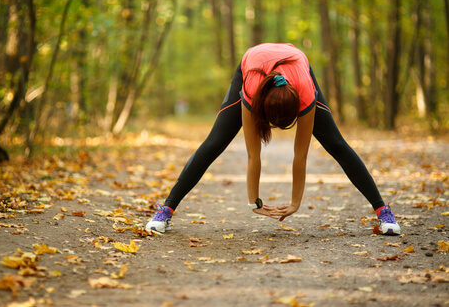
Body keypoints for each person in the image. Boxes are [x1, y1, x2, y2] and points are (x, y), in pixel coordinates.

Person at [145, 43, 401, 236]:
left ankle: (383, 212)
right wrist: (253, 202)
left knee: (336, 144)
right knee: (215, 143)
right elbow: (253, 154)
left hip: (296, 63)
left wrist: (295, 203)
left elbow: (300, 156)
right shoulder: (252, 89)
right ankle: (166, 210)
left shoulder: (304, 93)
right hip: (254, 63)